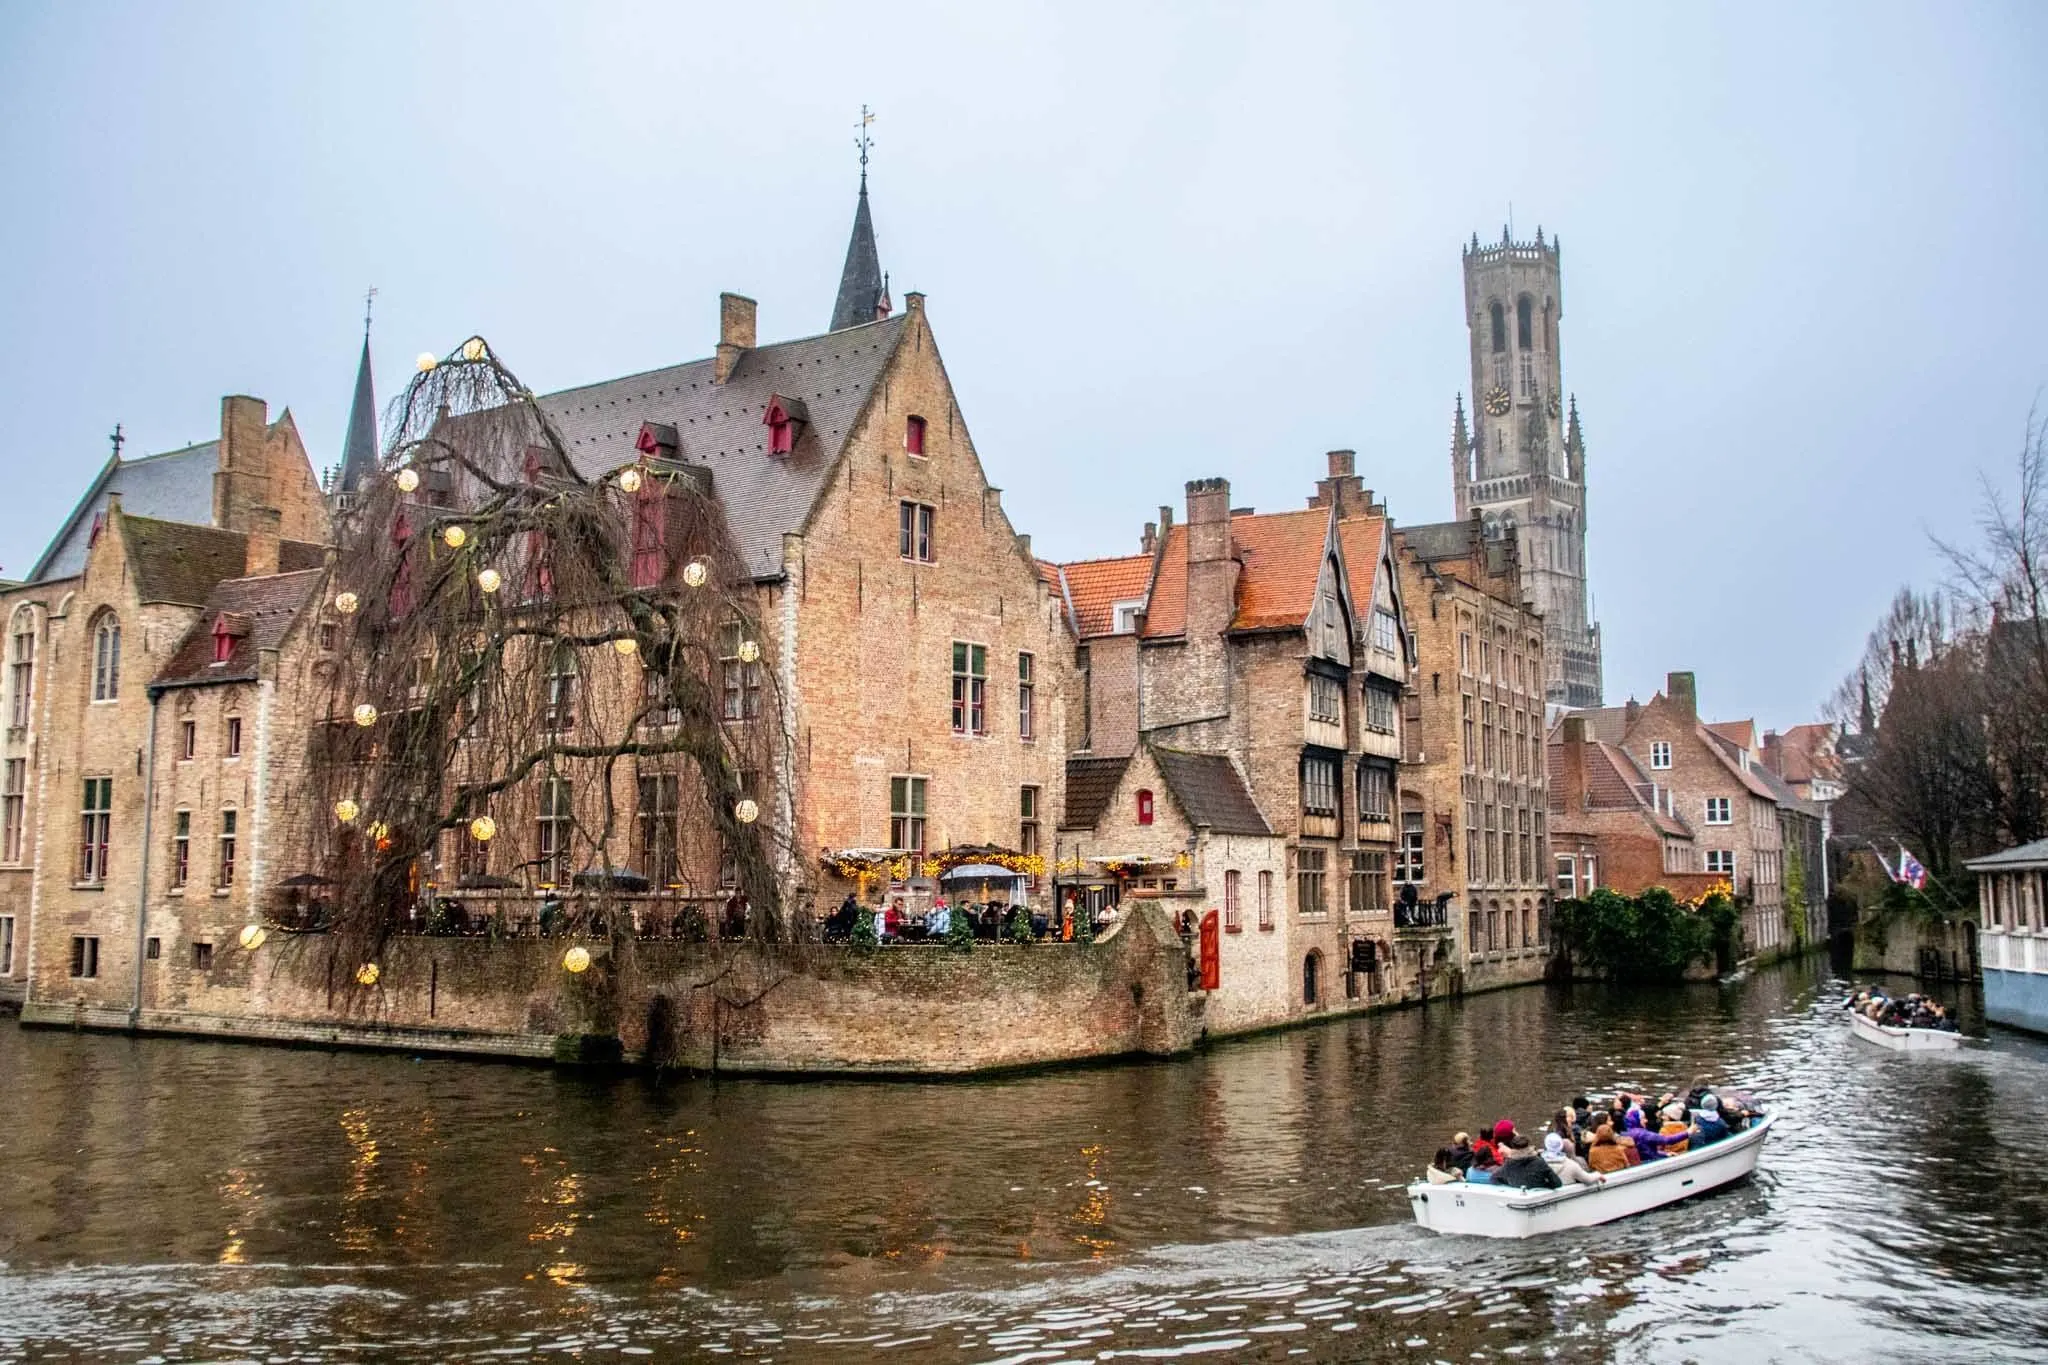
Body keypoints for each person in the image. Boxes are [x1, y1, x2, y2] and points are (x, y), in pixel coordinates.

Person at [1492, 1135, 1562, 1190]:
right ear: (1529, 1145)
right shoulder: (1539, 1162)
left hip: (1517, 1196)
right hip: (1538, 1196)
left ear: (1513, 1147)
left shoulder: (1508, 1164)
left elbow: (1494, 1178)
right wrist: (1544, 1187)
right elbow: (1557, 1183)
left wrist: (1509, 1186)